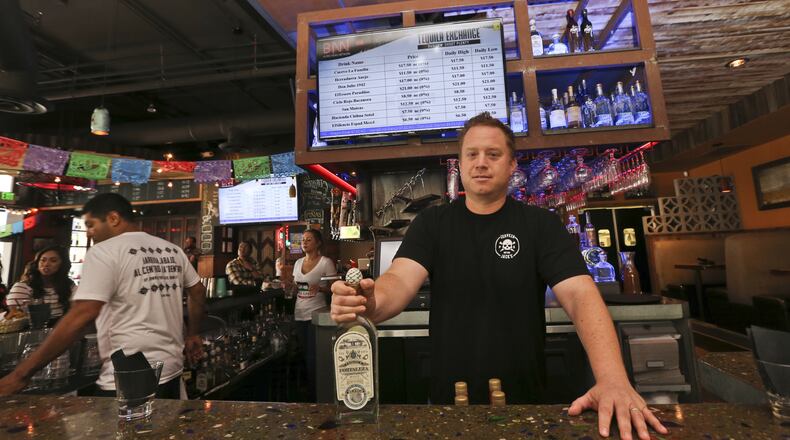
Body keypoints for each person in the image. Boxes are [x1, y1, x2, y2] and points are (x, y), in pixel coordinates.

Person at [331, 112, 668, 440]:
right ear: (460, 165)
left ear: (511, 166)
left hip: (525, 402)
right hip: (449, 405)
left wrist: (612, 380)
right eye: (472, 155)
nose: (481, 163)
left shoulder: (540, 225)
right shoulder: (433, 224)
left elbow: (581, 297)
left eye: (493, 155)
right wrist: (368, 303)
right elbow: (398, 281)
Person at [0, 193, 206, 398]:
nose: (89, 233)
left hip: (128, 375)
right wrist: (194, 334)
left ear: (113, 219)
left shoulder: (104, 252)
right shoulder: (171, 250)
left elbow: (82, 315)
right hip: (171, 370)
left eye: (91, 225)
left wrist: (21, 374)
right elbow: (197, 290)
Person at [291, 229, 335, 400]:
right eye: (303, 240)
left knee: (313, 357)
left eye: (309, 240)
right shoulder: (298, 263)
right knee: (304, 354)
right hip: (299, 312)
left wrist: (321, 288)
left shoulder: (326, 263)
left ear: (318, 243)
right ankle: (310, 392)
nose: (304, 242)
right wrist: (290, 286)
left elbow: (335, 286)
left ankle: (317, 395)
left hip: (316, 314)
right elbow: (298, 287)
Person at [6, 246, 76, 322]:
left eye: (53, 260)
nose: (46, 264)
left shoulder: (69, 285)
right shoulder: (23, 286)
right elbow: (15, 317)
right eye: (43, 260)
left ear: (63, 265)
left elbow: (77, 312)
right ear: (37, 264)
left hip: (60, 328)